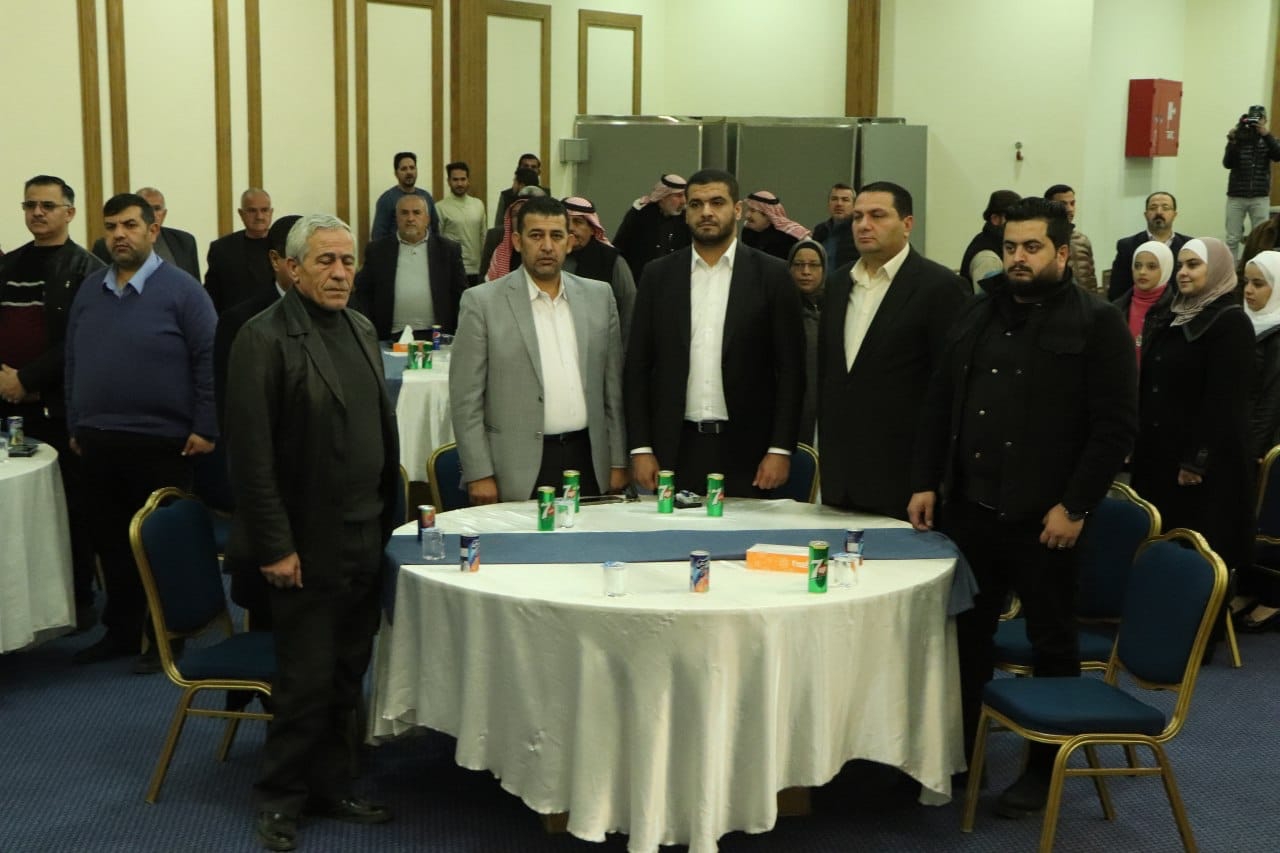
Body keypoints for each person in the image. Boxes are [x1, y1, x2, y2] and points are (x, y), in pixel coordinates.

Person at [908, 197, 1137, 817]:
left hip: (1047, 518)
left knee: (1051, 641)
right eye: (1010, 247)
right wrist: (926, 480)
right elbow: (940, 403)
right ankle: (960, 753)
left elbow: (1114, 429)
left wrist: (1075, 506)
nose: (1018, 258)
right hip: (971, 509)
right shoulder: (977, 311)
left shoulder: (1097, 323)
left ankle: (1043, 767)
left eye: (1032, 248)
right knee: (966, 636)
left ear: (1061, 252)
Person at [224, 214, 399, 852]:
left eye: (348, 261)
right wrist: (275, 546)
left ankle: (331, 784)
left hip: (365, 531)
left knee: (348, 671)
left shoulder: (361, 328)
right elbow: (251, 457)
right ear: (293, 268)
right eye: (325, 260)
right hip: (304, 541)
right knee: (304, 680)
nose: (340, 273)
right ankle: (280, 799)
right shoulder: (262, 338)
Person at [65, 192, 218, 672]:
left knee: (159, 546)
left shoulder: (183, 290)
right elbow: (73, 360)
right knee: (110, 543)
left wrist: (206, 426)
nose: (119, 235)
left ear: (153, 230)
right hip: (97, 438)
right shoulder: (90, 290)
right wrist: (74, 421)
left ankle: (168, 636)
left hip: (163, 441)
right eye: (112, 226)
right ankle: (123, 632)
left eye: (130, 225)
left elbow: (209, 360)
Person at [624, 169, 804, 498]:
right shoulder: (658, 276)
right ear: (686, 213)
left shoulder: (772, 275)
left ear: (737, 210)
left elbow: (791, 369)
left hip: (750, 451)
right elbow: (637, 366)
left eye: (717, 202)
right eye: (696, 204)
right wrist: (641, 447)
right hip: (672, 449)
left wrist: (780, 448)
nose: (706, 212)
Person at [450, 195, 627, 504]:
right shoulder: (482, 303)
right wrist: (479, 473)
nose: (547, 246)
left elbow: (612, 390)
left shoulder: (599, 297)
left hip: (588, 460)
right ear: (518, 242)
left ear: (569, 242)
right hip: (515, 468)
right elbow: (466, 399)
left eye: (556, 236)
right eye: (536, 235)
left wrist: (618, 460)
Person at [1130, 237, 1255, 657]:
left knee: (1198, 551)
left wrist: (1197, 460)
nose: (1183, 273)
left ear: (1215, 270)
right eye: (1181, 265)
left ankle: (1194, 643)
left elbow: (1224, 401)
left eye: (1194, 265)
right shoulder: (1173, 314)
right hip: (1159, 454)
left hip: (1203, 466)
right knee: (1162, 546)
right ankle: (1157, 636)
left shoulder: (1230, 323)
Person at [818, 181, 966, 519]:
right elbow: (831, 378)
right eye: (857, 217)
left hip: (903, 480)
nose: (864, 225)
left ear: (907, 224)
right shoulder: (838, 283)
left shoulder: (939, 287)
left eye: (877, 215)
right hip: (841, 478)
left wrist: (929, 480)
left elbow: (947, 392)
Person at [0, 175, 105, 631]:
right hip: (8, 406)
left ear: (70, 212)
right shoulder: (8, 264)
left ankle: (76, 601)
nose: (37, 213)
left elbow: (81, 342)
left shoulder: (88, 270)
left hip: (57, 408)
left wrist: (27, 381)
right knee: (15, 510)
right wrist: (6, 382)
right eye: (30, 205)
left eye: (47, 205)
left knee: (68, 508)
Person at [214, 214, 301, 428]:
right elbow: (229, 401)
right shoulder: (240, 321)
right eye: (299, 260)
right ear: (275, 260)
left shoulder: (349, 315)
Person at [352, 193, 466, 339]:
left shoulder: (448, 250)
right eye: (404, 213)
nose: (410, 218)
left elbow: (460, 295)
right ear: (397, 218)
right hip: (391, 336)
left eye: (416, 212)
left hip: (437, 336)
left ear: (427, 219)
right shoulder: (377, 250)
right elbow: (364, 295)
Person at [1238, 251, 1280, 632]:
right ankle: (1248, 588)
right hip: (1242, 436)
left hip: (1266, 446)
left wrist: (1254, 451)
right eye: (1246, 282)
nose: (1248, 291)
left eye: (1258, 284)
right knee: (1243, 520)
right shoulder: (1242, 323)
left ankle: (1273, 597)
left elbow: (1271, 399)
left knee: (1269, 523)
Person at [561, 195, 636, 345]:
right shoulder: (549, 257)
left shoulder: (612, 261)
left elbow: (629, 308)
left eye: (578, 222)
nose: (571, 228)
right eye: (566, 222)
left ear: (592, 229)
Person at [92, 187, 200, 279]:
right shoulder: (106, 245)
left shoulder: (184, 241)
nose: (152, 213)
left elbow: (195, 283)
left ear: (164, 214)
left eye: (157, 208)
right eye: (146, 207)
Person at [1107, 191, 1190, 300]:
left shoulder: (1188, 246)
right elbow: (1117, 292)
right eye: (1153, 208)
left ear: (1174, 215)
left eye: (1165, 208)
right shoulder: (1127, 246)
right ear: (1146, 215)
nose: (1159, 212)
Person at [205, 188, 275, 314]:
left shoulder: (283, 245)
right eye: (252, 211)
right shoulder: (221, 249)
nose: (259, 216)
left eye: (264, 210)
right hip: (235, 321)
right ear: (241, 213)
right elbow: (212, 295)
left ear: (271, 212)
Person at [1223, 106, 1280, 258]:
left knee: (1261, 238)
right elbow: (1227, 163)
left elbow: (1277, 155)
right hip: (1236, 196)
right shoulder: (1238, 138)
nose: (1256, 121)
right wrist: (1232, 142)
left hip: (1259, 196)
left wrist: (1266, 134)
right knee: (1232, 238)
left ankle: (1257, 267)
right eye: (1253, 118)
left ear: (1265, 120)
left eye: (1259, 118)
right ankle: (1232, 269)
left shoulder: (1269, 140)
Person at [613, 174, 690, 281]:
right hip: (641, 280)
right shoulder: (641, 214)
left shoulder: (685, 218)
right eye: (678, 196)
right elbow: (620, 247)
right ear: (663, 196)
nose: (683, 201)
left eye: (684, 195)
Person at [788, 238, 825, 445]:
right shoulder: (780, 309)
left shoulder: (836, 309)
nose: (806, 272)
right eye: (799, 265)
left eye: (814, 265)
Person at [1112, 240, 1174, 365]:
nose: (1142, 272)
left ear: (1165, 269)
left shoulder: (1176, 311)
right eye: (1137, 266)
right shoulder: (1115, 309)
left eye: (1151, 267)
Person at [369, 151, 439, 243]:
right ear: (396, 173)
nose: (409, 172)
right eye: (404, 169)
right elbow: (378, 235)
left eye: (412, 168)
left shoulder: (426, 197)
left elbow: (435, 229)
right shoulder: (387, 199)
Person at [436, 161, 486, 285]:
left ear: (468, 180)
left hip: (477, 270)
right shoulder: (440, 207)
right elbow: (437, 242)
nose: (459, 183)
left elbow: (483, 236)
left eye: (463, 179)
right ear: (448, 181)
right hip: (452, 270)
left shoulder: (478, 205)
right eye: (455, 180)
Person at [481, 185, 545, 281]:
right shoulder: (500, 253)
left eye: (524, 214)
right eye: (515, 214)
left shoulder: (546, 249)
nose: (519, 219)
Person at [1044, 184, 1098, 296]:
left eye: (1072, 203)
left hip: (1085, 302)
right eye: (1063, 204)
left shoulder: (1082, 240)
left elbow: (1091, 279)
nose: (1070, 209)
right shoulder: (1044, 241)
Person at [959, 190, 1019, 290]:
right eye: (1012, 218)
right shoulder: (988, 259)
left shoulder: (991, 242)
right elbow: (993, 297)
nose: (1018, 224)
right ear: (995, 219)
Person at [740, 190, 811, 260]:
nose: (747, 215)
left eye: (752, 211)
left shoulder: (789, 237)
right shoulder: (748, 231)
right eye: (748, 210)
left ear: (767, 215)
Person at [810, 183, 858, 269]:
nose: (839, 204)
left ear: (854, 205)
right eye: (834, 199)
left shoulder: (858, 231)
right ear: (828, 204)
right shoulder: (820, 230)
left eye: (845, 200)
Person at [492, 153, 543, 228]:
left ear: (539, 171)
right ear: (519, 168)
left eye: (533, 167)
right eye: (525, 166)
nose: (529, 169)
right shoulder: (506, 195)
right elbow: (499, 224)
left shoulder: (545, 194)